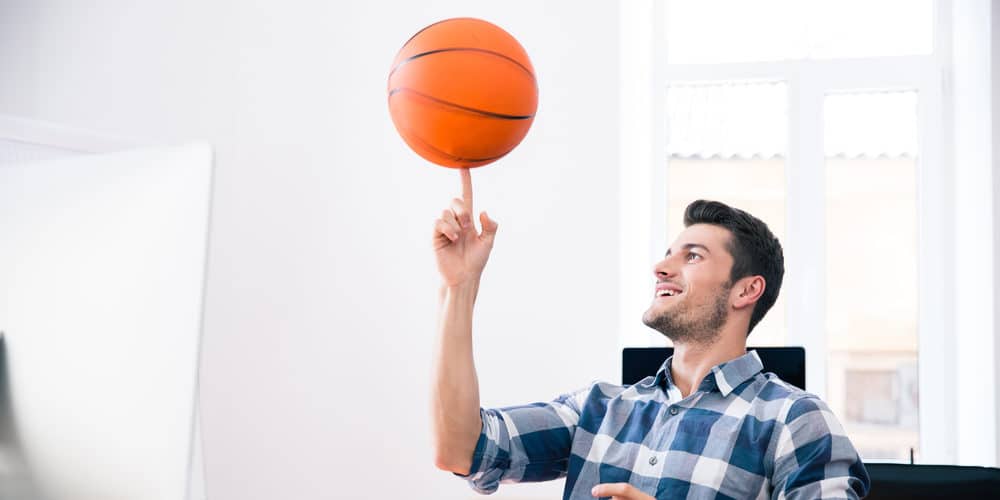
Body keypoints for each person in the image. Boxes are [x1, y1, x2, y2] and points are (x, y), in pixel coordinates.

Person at [431, 169, 870, 499]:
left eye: (692, 256)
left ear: (746, 289)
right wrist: (460, 287)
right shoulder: (601, 409)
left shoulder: (793, 420)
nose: (661, 267)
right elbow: (461, 447)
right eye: (667, 255)